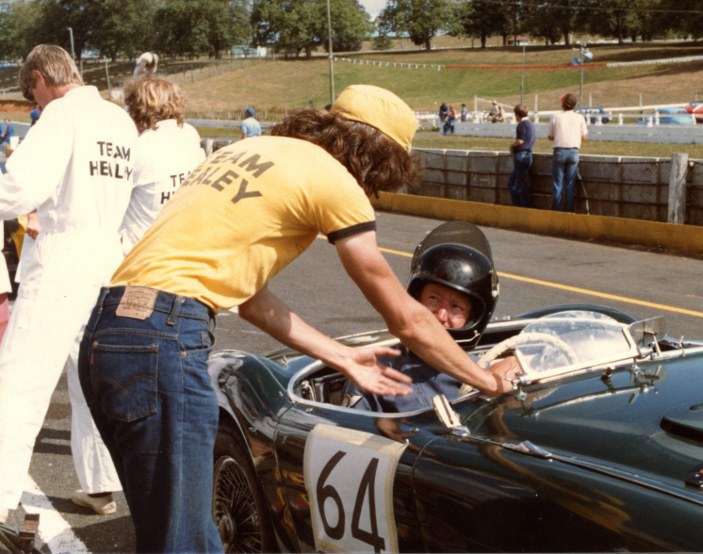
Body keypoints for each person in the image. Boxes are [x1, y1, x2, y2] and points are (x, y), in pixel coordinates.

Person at [78, 84, 513, 552]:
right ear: (380, 156)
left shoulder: (250, 149)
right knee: (181, 541)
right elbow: (407, 318)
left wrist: (342, 356)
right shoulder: (336, 182)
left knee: (174, 530)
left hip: (109, 331)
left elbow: (252, 301)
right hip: (164, 338)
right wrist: (486, 381)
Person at [0, 44, 138, 525]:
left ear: (40, 77)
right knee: (93, 380)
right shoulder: (119, 120)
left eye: (30, 93)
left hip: (62, 253)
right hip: (110, 256)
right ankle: (101, 483)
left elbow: (16, 189)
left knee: (19, 379)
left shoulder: (59, 116)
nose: (33, 104)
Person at [343, 220, 510, 412]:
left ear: (471, 317)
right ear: (416, 299)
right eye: (433, 298)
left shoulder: (485, 371)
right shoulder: (376, 371)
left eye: (456, 307)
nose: (440, 315)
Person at [120, 75, 205, 254]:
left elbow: (112, 202)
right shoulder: (190, 135)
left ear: (136, 109)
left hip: (142, 256)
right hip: (184, 246)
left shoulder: (137, 148)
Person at [548, 92, 588, 212]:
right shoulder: (579, 117)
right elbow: (584, 137)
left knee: (557, 184)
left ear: (563, 104)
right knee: (570, 184)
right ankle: (569, 211)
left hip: (559, 150)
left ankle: (556, 210)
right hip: (574, 151)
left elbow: (550, 136)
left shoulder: (556, 117)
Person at [507, 104, 536, 207]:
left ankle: (521, 207)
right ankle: (522, 206)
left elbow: (520, 140)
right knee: (517, 183)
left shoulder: (521, 125)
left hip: (521, 156)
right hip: (528, 156)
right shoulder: (531, 125)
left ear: (517, 115)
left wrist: (511, 146)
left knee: (516, 184)